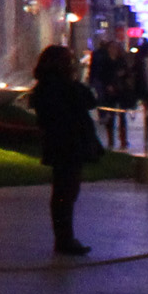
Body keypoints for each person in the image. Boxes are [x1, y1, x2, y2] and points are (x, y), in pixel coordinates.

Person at [26, 44, 103, 254]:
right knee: (65, 192)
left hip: (61, 143)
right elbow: (88, 100)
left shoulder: (46, 88)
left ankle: (64, 237)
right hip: (68, 144)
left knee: (64, 191)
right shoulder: (62, 87)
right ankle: (64, 239)